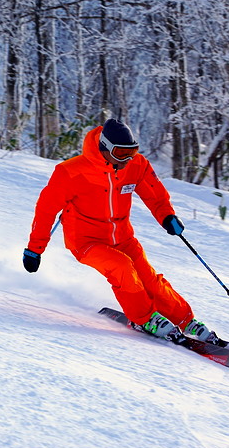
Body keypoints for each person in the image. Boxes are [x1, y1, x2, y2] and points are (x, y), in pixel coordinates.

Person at [23, 118, 213, 343]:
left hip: (123, 238)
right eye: (122, 153)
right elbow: (46, 211)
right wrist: (35, 249)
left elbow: (155, 194)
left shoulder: (136, 164)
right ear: (104, 148)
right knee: (122, 267)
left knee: (149, 279)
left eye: (132, 151)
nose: (128, 159)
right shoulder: (70, 172)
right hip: (86, 242)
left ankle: (185, 320)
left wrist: (167, 216)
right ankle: (144, 318)